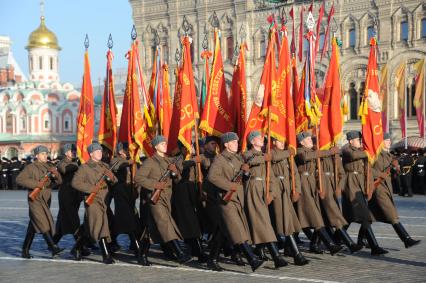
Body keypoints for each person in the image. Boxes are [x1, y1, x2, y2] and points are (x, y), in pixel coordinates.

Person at [208, 132, 264, 272]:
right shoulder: (219, 159)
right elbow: (212, 177)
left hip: (237, 199)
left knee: (223, 230)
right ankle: (252, 259)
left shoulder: (237, 158)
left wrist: (245, 172)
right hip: (225, 200)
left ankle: (212, 259)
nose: (236, 144)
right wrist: (229, 186)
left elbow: (243, 178)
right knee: (237, 229)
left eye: (237, 142)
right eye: (233, 142)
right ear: (226, 144)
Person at [134, 135, 191, 264]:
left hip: (166, 198)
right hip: (155, 199)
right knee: (165, 223)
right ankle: (179, 253)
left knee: (152, 227)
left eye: (165, 143)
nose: (165, 145)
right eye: (162, 144)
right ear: (155, 146)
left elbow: (177, 180)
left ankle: (141, 254)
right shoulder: (150, 162)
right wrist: (155, 185)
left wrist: (175, 172)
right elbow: (138, 178)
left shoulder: (168, 161)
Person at [243, 131, 287, 269]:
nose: (262, 139)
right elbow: (250, 161)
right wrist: (265, 158)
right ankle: (276, 257)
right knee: (263, 222)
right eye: (259, 138)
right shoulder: (247, 153)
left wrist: (272, 194)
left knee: (262, 223)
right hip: (253, 188)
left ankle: (254, 250)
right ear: (252, 141)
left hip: (264, 189)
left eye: (262, 137)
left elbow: (271, 177)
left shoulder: (264, 156)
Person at [295, 132, 342, 255]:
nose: (311, 140)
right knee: (313, 216)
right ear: (301, 142)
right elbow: (305, 158)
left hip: (313, 185)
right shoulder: (299, 151)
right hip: (303, 185)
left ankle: (311, 244)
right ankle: (330, 245)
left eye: (311, 138)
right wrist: (328, 152)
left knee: (315, 216)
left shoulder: (313, 153)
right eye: (308, 139)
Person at [370, 133, 420, 248]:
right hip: (378, 188)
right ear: (381, 142)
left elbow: (394, 164)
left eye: (389, 140)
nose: (389, 142)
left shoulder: (388, 155)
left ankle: (361, 240)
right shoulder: (374, 155)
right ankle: (406, 239)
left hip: (387, 187)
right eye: (387, 140)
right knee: (391, 214)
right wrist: (381, 174)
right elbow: (368, 170)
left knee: (368, 217)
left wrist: (396, 165)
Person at [341, 131, 387, 255]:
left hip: (360, 184)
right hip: (351, 185)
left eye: (361, 140)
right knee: (365, 217)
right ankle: (374, 247)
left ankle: (334, 240)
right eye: (358, 140)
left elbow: (367, 169)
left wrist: (380, 175)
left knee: (347, 218)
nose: (360, 142)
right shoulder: (346, 149)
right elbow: (353, 156)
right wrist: (368, 151)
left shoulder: (361, 151)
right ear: (351, 141)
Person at [72, 143, 118, 264]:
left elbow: (115, 181)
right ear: (91, 154)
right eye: (97, 151)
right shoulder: (84, 167)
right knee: (101, 225)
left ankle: (76, 248)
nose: (100, 153)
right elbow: (75, 183)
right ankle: (106, 255)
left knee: (90, 227)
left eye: (100, 151)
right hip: (92, 200)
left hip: (104, 200)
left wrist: (111, 177)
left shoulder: (105, 166)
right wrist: (91, 188)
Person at [17, 145, 64, 258]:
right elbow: (19, 179)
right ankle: (53, 247)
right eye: (42, 154)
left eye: (46, 153)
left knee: (33, 224)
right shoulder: (31, 167)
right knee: (43, 222)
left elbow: (59, 182)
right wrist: (36, 184)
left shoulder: (50, 166)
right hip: (35, 199)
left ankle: (25, 249)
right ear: (37, 156)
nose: (45, 155)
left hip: (46, 199)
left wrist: (55, 174)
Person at [317, 142, 363, 254]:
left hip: (332, 187)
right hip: (323, 187)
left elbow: (341, 173)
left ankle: (316, 243)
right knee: (333, 215)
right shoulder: (317, 152)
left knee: (323, 218)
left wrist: (339, 187)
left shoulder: (335, 154)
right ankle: (350, 244)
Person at [269, 137, 309, 265]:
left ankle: (284, 249)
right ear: (274, 142)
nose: (283, 143)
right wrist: (289, 152)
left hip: (287, 191)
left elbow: (295, 174)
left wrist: (297, 190)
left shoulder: (288, 155)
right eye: (280, 141)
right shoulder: (271, 153)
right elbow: (273, 158)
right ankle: (297, 254)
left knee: (285, 223)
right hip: (277, 191)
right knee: (284, 222)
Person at [110, 142, 149, 265]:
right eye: (127, 149)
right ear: (121, 151)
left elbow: (136, 178)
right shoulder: (115, 160)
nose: (129, 151)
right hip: (120, 193)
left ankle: (110, 242)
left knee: (124, 221)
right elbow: (115, 167)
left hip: (130, 194)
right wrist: (128, 163)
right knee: (129, 221)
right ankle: (139, 253)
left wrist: (136, 191)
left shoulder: (133, 161)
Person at [173, 141, 207, 263]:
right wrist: (193, 161)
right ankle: (199, 252)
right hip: (183, 194)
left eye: (191, 146)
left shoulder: (198, 156)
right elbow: (179, 167)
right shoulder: (178, 158)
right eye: (188, 147)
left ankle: (194, 249)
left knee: (196, 223)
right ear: (182, 148)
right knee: (190, 223)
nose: (190, 149)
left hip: (194, 193)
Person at [53, 144, 87, 260]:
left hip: (75, 195)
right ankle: (78, 249)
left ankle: (52, 244)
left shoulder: (76, 162)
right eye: (71, 151)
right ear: (66, 152)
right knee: (74, 220)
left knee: (63, 222)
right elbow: (65, 169)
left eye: (74, 150)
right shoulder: (62, 162)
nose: (73, 152)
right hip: (66, 195)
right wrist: (78, 165)